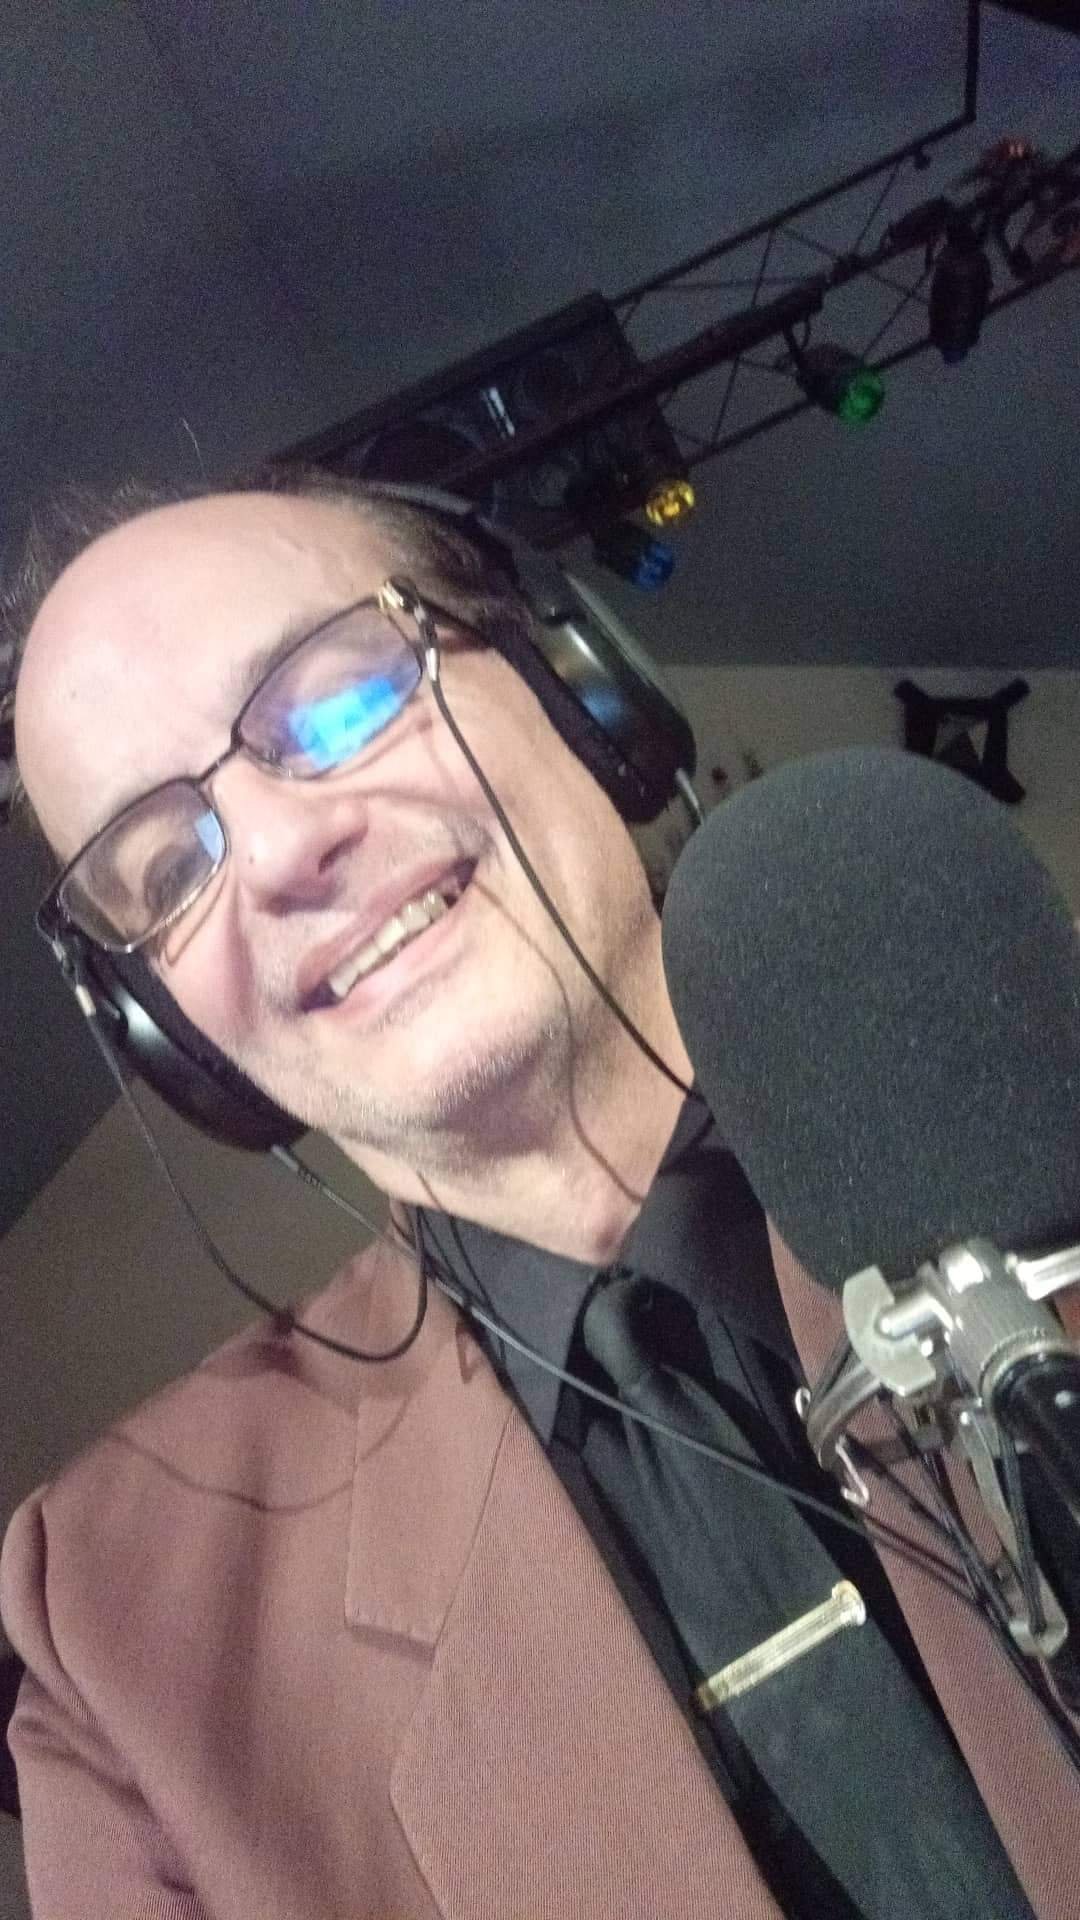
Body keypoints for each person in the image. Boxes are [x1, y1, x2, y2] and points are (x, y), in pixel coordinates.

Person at [0, 471, 1076, 1919]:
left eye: (334, 705)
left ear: (576, 683)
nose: (278, 855)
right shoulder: (117, 1623)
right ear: (162, 1035)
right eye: (164, 865)